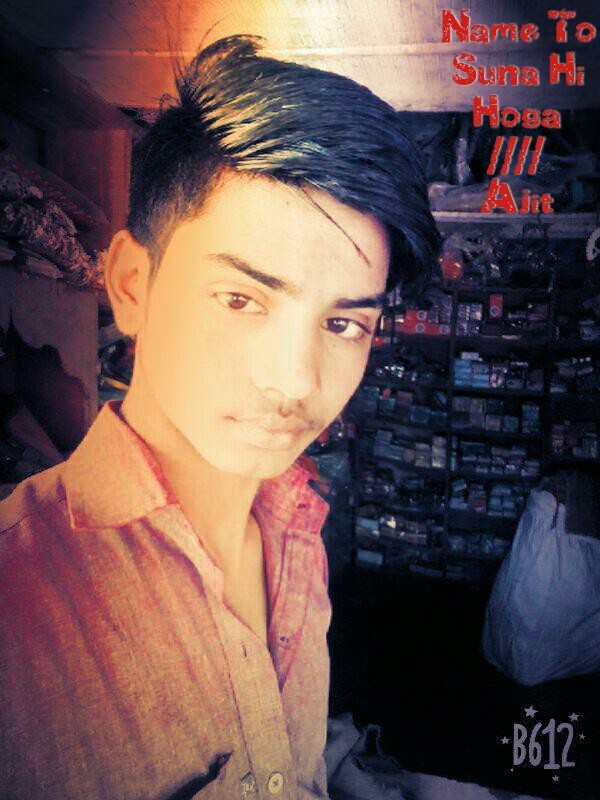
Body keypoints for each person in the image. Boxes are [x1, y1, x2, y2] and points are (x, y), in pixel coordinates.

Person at [0, 35, 438, 799]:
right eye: (240, 299)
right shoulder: (19, 604)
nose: (295, 379)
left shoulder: (299, 540)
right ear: (132, 286)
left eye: (343, 324)